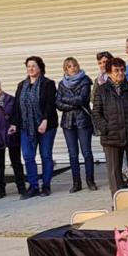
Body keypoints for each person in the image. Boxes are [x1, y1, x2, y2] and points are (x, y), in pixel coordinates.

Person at [92, 57, 128, 195]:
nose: (120, 73)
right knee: (114, 173)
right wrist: (105, 128)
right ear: (109, 73)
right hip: (111, 137)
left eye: (122, 70)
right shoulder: (101, 91)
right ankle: (118, 201)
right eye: (116, 71)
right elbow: (96, 113)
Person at [13, 56, 58, 199]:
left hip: (46, 126)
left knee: (45, 155)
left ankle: (46, 185)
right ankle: (33, 186)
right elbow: (17, 106)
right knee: (27, 156)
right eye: (28, 66)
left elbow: (50, 104)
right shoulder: (21, 85)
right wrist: (14, 123)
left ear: (40, 67)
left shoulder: (48, 83)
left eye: (33, 66)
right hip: (26, 127)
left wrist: (45, 120)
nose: (31, 69)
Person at [55, 57, 96, 193]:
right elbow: (58, 104)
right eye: (69, 66)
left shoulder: (85, 81)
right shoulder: (62, 84)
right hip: (68, 123)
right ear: (65, 69)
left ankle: (90, 180)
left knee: (87, 152)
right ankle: (76, 182)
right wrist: (72, 103)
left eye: (74, 65)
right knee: (73, 154)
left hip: (83, 121)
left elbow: (82, 99)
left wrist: (66, 101)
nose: (73, 68)